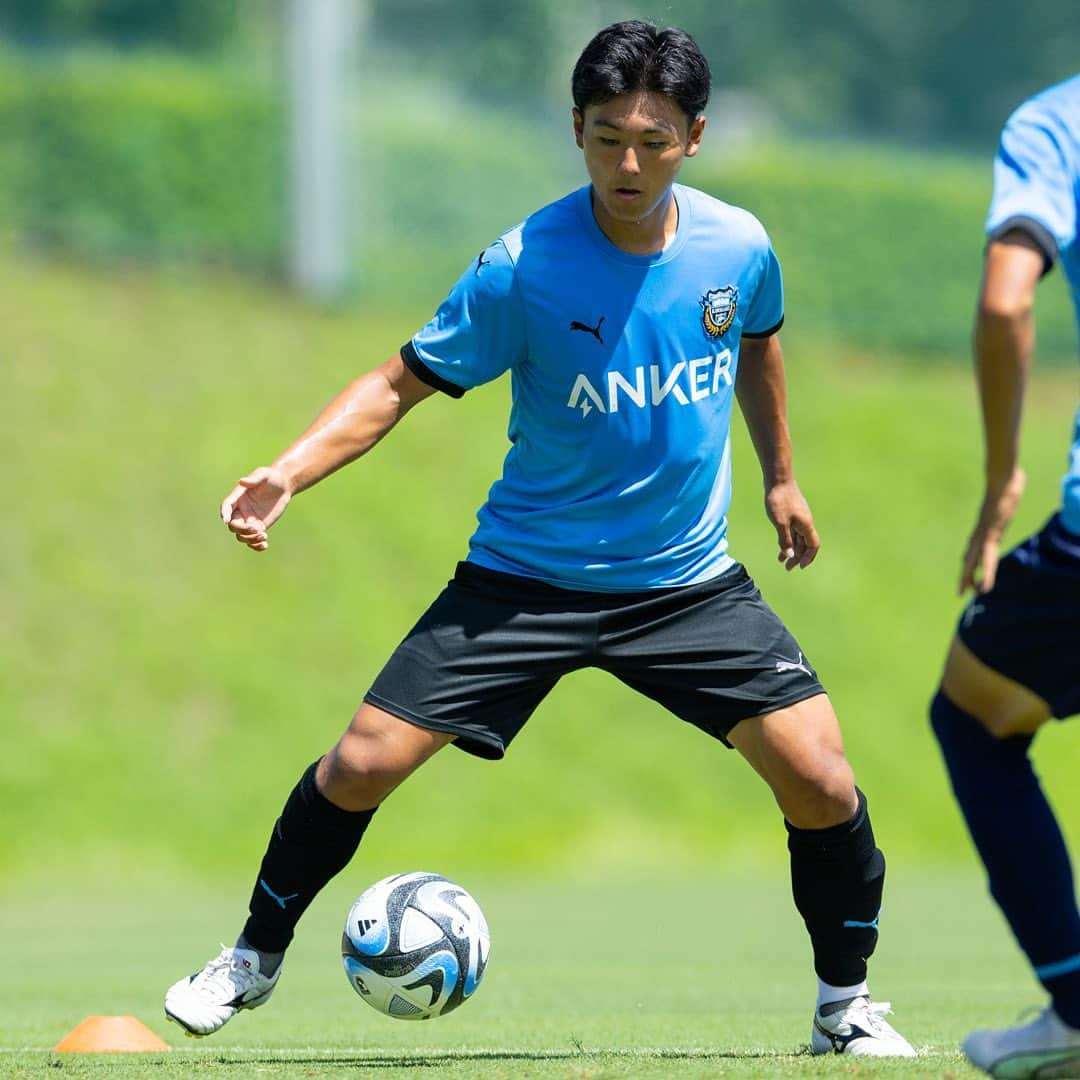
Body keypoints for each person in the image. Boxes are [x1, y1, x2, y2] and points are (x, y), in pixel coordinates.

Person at [165, 20, 914, 1057]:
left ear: (694, 137)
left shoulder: (736, 245)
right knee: (359, 766)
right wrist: (289, 470)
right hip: (525, 579)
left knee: (823, 781)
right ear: (576, 129)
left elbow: (757, 337)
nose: (629, 162)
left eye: (653, 139)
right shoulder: (522, 265)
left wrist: (783, 478)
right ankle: (248, 960)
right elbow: (398, 383)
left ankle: (846, 1008)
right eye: (607, 137)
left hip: (686, 585)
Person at [929, 73, 1080, 1079]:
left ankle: (1074, 1008)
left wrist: (1001, 478)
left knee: (976, 716)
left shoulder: (1058, 121)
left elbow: (1004, 295)